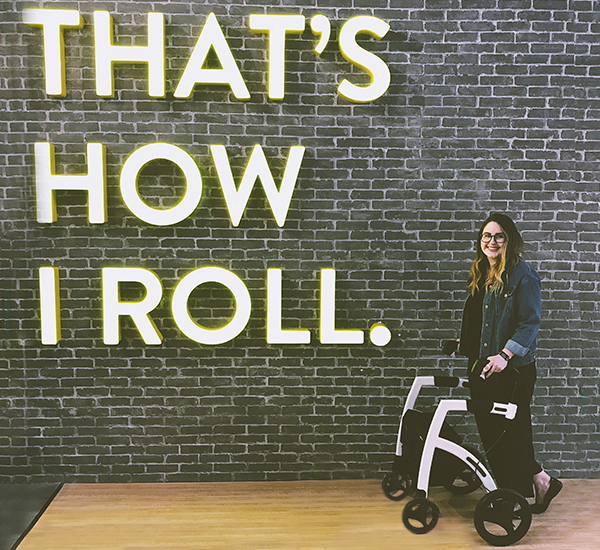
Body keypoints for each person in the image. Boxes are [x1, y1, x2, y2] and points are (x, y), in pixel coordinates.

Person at [458, 212, 562, 514]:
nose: (492, 241)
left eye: (499, 236)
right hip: (482, 367)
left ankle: (515, 496)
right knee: (492, 434)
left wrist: (505, 355)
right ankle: (540, 481)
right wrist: (463, 344)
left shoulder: (523, 276)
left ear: (510, 240)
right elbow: (482, 320)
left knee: (512, 434)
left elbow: (530, 323)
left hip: (512, 370)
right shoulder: (481, 272)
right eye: (486, 236)